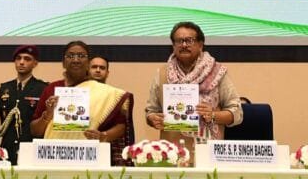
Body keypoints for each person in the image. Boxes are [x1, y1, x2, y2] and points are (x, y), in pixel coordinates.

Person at [145, 22, 242, 163]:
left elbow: (237, 112)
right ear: (173, 46)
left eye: (189, 40)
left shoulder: (217, 72)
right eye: (179, 41)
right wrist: (152, 119)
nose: (184, 45)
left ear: (200, 45)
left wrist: (213, 115)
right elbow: (151, 111)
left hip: (208, 155)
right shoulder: (162, 73)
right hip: (172, 155)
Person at [31, 41, 134, 165]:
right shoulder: (51, 89)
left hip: (90, 157)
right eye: (70, 56)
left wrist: (103, 136)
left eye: (81, 56)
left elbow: (121, 126)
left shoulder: (104, 92)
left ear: (88, 62)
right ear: (63, 62)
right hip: (55, 157)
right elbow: (35, 131)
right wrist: (48, 115)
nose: (76, 60)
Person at [0, 45, 48, 164]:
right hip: (7, 150)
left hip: (31, 150)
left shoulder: (42, 89)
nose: (21, 62)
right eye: (18, 58)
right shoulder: (3, 89)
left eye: (27, 59)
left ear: (35, 63)